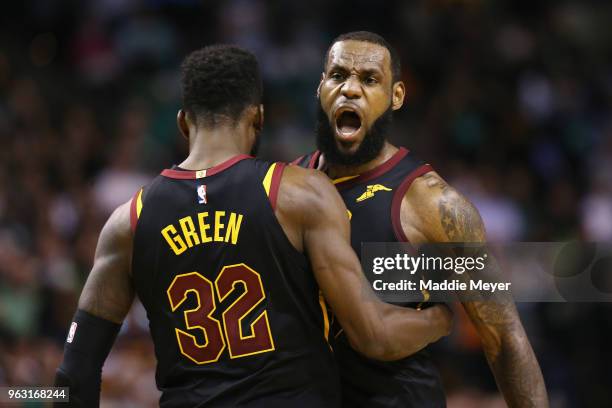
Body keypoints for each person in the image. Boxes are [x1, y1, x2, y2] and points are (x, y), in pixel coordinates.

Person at [53, 45, 453, 407]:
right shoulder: (299, 194)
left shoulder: (129, 221)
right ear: (258, 117)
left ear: (182, 122)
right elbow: (373, 336)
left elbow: (72, 376)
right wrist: (440, 318)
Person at [294, 31, 549, 407]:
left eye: (369, 79)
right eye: (338, 75)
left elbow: (505, 338)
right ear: (320, 87)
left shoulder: (433, 203)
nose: (350, 89)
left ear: (396, 96)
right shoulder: (289, 185)